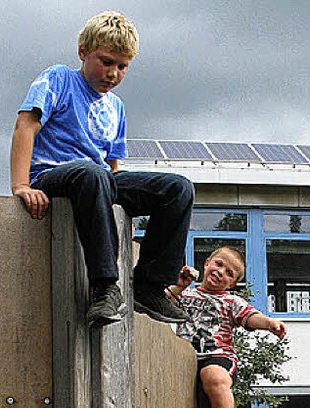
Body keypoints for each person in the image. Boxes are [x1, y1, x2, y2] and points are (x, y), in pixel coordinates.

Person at [10, 11, 193, 329]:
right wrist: (21, 185)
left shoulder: (116, 106)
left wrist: (123, 210)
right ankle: (105, 287)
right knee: (91, 174)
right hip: (55, 175)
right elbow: (25, 126)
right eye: (106, 62)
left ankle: (148, 286)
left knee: (178, 188)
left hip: (99, 179)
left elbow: (113, 166)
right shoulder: (59, 79)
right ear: (83, 52)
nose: (113, 73)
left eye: (122, 67)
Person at [166, 248, 286, 408]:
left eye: (229, 273)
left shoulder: (231, 301)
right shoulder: (186, 294)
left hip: (218, 355)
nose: (221, 272)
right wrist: (178, 285)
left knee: (213, 376)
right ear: (206, 263)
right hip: (185, 356)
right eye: (219, 264)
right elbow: (160, 302)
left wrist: (269, 323)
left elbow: (250, 316)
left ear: (231, 284)